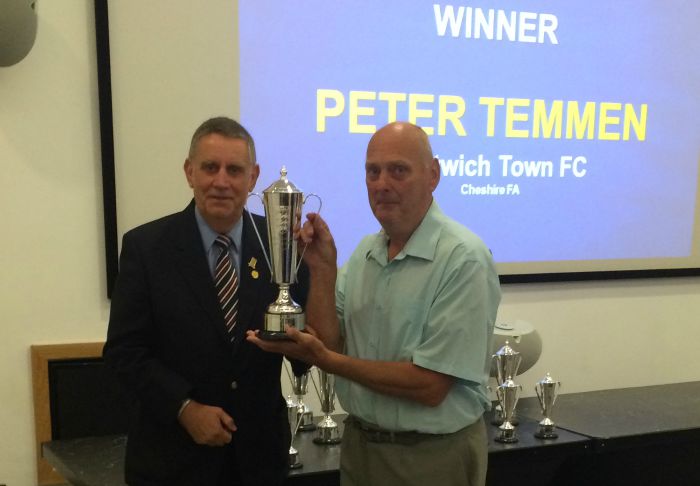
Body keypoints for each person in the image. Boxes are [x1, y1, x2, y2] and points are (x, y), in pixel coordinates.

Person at [248, 121, 502, 486]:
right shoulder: (366, 251)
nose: (382, 184)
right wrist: (322, 269)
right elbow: (330, 338)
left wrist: (328, 361)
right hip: (361, 448)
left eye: (398, 170)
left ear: (433, 175)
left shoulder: (464, 259)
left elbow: (429, 386)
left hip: (431, 458)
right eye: (373, 171)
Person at [104, 117, 309, 486]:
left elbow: (304, 350)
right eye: (210, 168)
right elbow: (124, 352)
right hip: (172, 462)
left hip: (258, 461)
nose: (221, 181)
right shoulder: (146, 247)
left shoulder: (283, 244)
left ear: (253, 177)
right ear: (189, 171)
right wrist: (183, 407)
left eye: (234, 170)